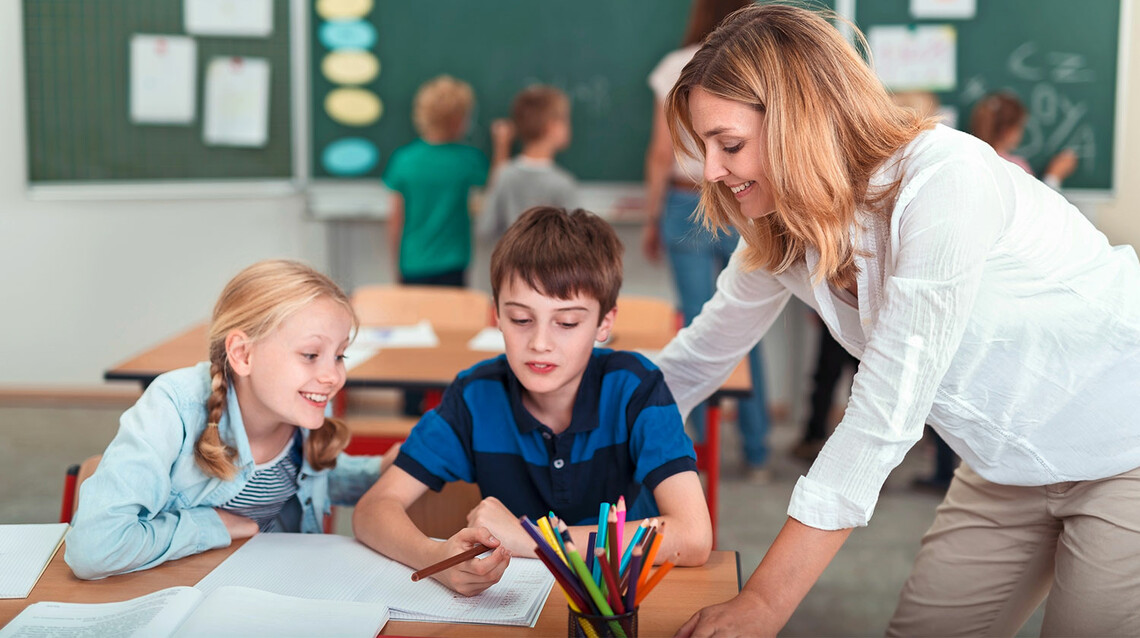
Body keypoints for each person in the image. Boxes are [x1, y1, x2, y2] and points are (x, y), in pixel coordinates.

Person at [654, 5, 1140, 636]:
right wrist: (568, 430)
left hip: (1124, 448)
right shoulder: (782, 228)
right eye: (706, 148)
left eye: (731, 145)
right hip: (1006, 467)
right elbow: (698, 358)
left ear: (801, 122)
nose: (710, 171)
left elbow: (886, 411)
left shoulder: (944, 180)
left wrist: (764, 601)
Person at [353, 207, 712, 596]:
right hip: (515, 599)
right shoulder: (476, 396)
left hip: (620, 600)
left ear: (604, 323)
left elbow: (692, 535)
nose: (540, 343)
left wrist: (538, 541)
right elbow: (373, 510)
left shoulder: (636, 388)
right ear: (497, 318)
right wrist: (433, 558)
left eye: (567, 323)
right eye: (522, 319)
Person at [66, 260, 398, 580]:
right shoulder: (172, 406)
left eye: (340, 356)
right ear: (242, 354)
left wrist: (380, 473)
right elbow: (95, 549)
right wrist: (210, 525)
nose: (332, 376)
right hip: (179, 587)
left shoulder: (302, 404)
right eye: (311, 355)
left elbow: (309, 478)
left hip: (268, 587)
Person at [642, 0, 771, 479]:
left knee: (703, 325)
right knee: (746, 325)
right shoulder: (755, 65)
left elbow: (660, 153)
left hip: (687, 200)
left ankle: (687, 454)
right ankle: (757, 450)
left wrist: (654, 218)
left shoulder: (675, 67)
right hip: (748, 195)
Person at [383, 75, 491, 288]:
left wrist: (395, 266)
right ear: (458, 120)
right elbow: (495, 185)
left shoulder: (403, 159)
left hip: (412, 262)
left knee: (415, 320)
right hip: (453, 262)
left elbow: (396, 218)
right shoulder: (468, 160)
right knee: (451, 319)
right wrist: (503, 145)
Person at [477, 85, 578, 242]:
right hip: (551, 266)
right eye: (565, 120)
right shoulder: (562, 184)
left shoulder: (505, 175)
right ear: (551, 127)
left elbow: (486, 227)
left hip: (510, 264)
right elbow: (578, 240)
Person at [969, 91, 1079, 190]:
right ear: (1008, 131)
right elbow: (1036, 207)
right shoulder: (1015, 168)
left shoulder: (969, 161)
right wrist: (1054, 176)